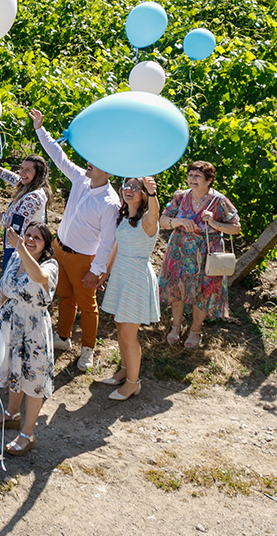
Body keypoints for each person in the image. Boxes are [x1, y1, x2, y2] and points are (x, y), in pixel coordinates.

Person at [32, 107, 119, 373]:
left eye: (97, 162)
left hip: (84, 259)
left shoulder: (110, 203)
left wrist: (96, 271)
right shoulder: (82, 179)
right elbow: (58, 156)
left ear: (109, 173)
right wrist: (40, 129)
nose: (89, 162)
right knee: (64, 296)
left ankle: (88, 350)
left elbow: (107, 242)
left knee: (88, 307)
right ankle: (63, 337)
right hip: (60, 249)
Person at [0, 222, 59, 455]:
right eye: (28, 235)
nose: (31, 239)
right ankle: (12, 414)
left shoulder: (50, 265)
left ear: (45, 245)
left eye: (37, 237)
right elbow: (4, 291)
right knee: (13, 370)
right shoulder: (16, 259)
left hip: (33, 330)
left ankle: (27, 434)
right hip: (10, 325)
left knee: (33, 380)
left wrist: (20, 247)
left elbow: (38, 276)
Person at [158, 161, 240, 349]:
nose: (192, 179)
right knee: (177, 289)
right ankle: (176, 327)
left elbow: (236, 228)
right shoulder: (181, 197)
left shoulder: (219, 201)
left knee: (204, 291)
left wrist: (214, 223)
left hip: (206, 254)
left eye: (197, 176)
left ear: (209, 180)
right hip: (179, 252)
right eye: (190, 175)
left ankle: (195, 330)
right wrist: (178, 221)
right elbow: (163, 221)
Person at [98, 177, 161, 399]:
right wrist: (105, 273)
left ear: (144, 194)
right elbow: (116, 247)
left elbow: (155, 214)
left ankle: (133, 383)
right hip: (121, 276)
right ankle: (125, 370)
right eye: (126, 185)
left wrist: (153, 194)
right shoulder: (125, 217)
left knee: (128, 334)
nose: (129, 190)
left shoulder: (147, 220)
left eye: (136, 187)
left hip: (136, 279)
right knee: (119, 325)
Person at [0, 155, 49, 276]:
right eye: (21, 168)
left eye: (27, 170)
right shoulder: (27, 185)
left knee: (13, 281)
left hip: (23, 247)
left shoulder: (34, 197)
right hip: (15, 243)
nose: (22, 173)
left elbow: (14, 225)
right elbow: (13, 178)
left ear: (37, 175)